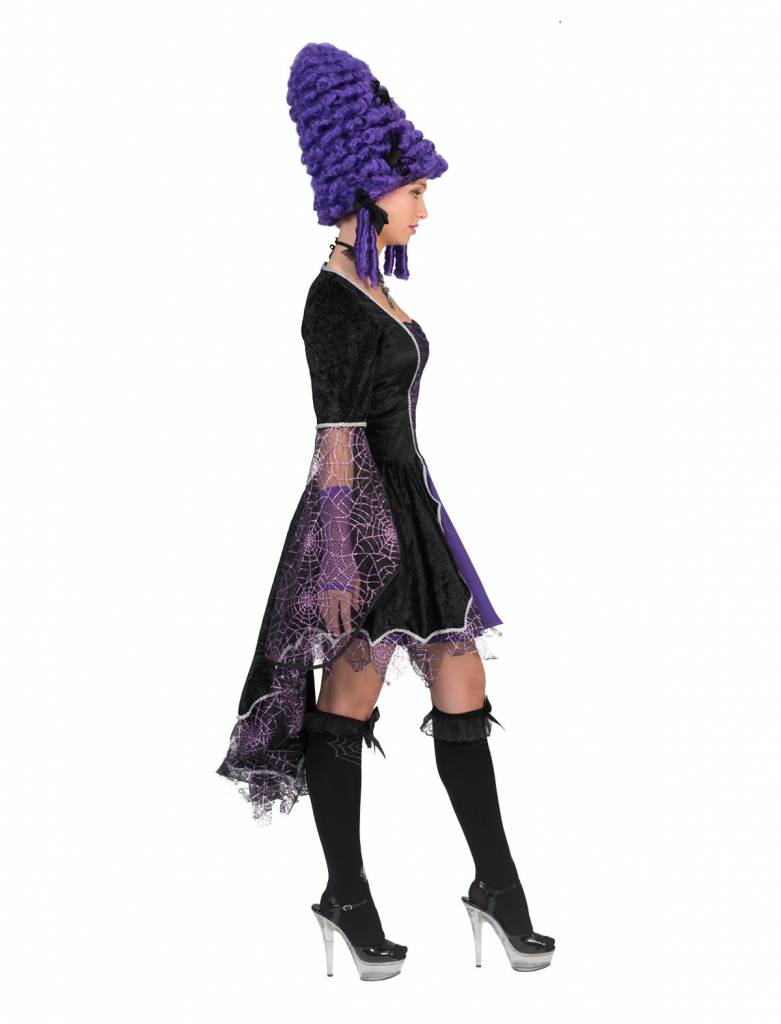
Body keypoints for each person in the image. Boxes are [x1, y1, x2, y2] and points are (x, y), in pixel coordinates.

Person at [216, 41, 555, 980]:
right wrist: (337, 552)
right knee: (350, 695)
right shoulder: (331, 301)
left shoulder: (373, 287)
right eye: (413, 191)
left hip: (413, 508)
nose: (423, 208)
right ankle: (346, 893)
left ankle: (498, 888)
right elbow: (334, 434)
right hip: (358, 519)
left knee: (462, 685)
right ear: (367, 194)